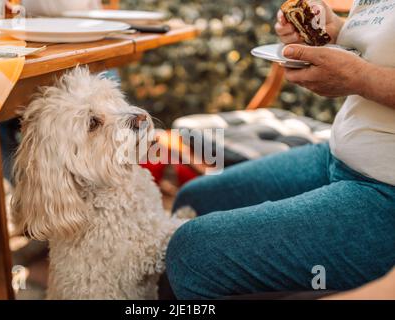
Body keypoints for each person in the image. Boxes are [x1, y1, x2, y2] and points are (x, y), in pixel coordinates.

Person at [165, 0, 395, 299]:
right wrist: (332, 30)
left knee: (192, 254)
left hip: (385, 189)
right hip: (337, 153)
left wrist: (361, 78)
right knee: (192, 201)